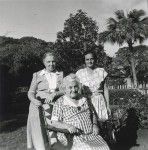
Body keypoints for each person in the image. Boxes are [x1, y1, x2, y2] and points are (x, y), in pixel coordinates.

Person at [51, 74, 110, 150]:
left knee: (104, 147)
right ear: (65, 88)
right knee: (87, 148)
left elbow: (93, 114)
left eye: (75, 86)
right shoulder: (60, 102)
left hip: (91, 135)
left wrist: (95, 124)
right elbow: (54, 122)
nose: (74, 90)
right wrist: (68, 126)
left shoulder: (85, 99)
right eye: (70, 87)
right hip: (72, 137)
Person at [27, 52, 63, 150]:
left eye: (53, 61)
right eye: (48, 61)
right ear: (44, 62)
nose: (51, 64)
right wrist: (34, 101)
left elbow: (65, 90)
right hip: (38, 106)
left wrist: (54, 94)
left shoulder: (60, 74)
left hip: (56, 106)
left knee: (57, 134)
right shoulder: (37, 75)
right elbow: (30, 92)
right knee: (41, 136)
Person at [76, 50, 110, 121]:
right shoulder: (80, 73)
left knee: (102, 124)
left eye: (91, 59)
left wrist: (108, 106)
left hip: (99, 101)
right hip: (86, 102)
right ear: (84, 61)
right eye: (87, 59)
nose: (90, 61)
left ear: (95, 59)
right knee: (88, 124)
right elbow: (78, 91)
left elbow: (105, 89)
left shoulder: (101, 71)